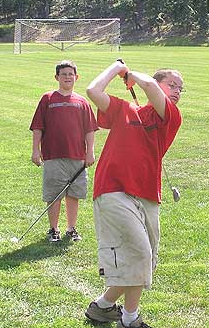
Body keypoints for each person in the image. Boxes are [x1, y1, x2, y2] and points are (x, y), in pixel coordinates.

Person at [84, 59, 184, 328]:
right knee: (139, 253)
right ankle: (130, 319)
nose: (176, 91)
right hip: (113, 189)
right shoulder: (125, 109)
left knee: (143, 259)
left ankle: (102, 307)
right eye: (172, 84)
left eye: (180, 88)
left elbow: (150, 85)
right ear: (161, 82)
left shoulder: (170, 115)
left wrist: (131, 75)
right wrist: (116, 70)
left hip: (148, 194)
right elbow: (93, 91)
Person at [30, 60, 98, 243]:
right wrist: (35, 151)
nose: (67, 77)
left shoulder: (82, 101)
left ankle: (71, 228)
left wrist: (90, 152)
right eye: (63, 74)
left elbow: (89, 130)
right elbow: (38, 127)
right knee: (54, 194)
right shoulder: (48, 98)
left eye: (71, 74)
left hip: (77, 156)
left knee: (74, 194)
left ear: (77, 77)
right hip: (53, 155)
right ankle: (53, 229)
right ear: (56, 77)